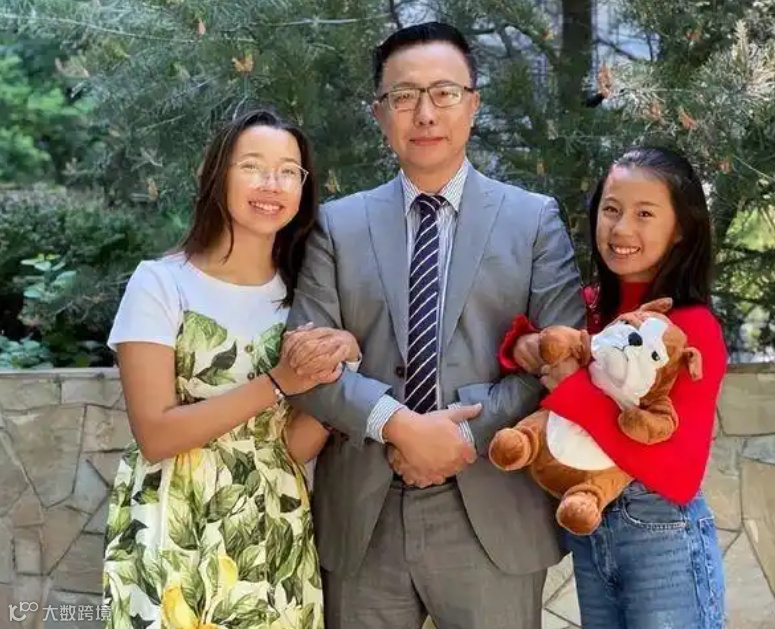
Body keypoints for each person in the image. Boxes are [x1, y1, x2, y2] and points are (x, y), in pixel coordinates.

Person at [283, 21, 586, 629]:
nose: (425, 113)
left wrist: (461, 436)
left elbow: (563, 361)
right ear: (379, 112)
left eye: (444, 93)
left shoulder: (532, 221)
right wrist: (398, 426)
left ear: (473, 104)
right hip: (363, 511)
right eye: (404, 96)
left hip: (492, 502)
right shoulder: (336, 226)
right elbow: (305, 366)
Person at [101, 106, 359, 629]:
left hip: (273, 526)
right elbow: (155, 434)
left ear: (303, 188)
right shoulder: (161, 283)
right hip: (174, 525)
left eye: (288, 171)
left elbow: (291, 447)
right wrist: (279, 382)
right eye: (252, 166)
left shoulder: (305, 300)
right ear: (217, 175)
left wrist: (341, 370)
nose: (271, 184)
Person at [504, 146, 727, 629]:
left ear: (681, 228)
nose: (621, 228)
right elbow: (548, 349)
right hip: (591, 532)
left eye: (644, 214)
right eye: (611, 209)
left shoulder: (691, 328)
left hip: (663, 541)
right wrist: (523, 344)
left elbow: (678, 475)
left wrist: (573, 391)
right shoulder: (589, 309)